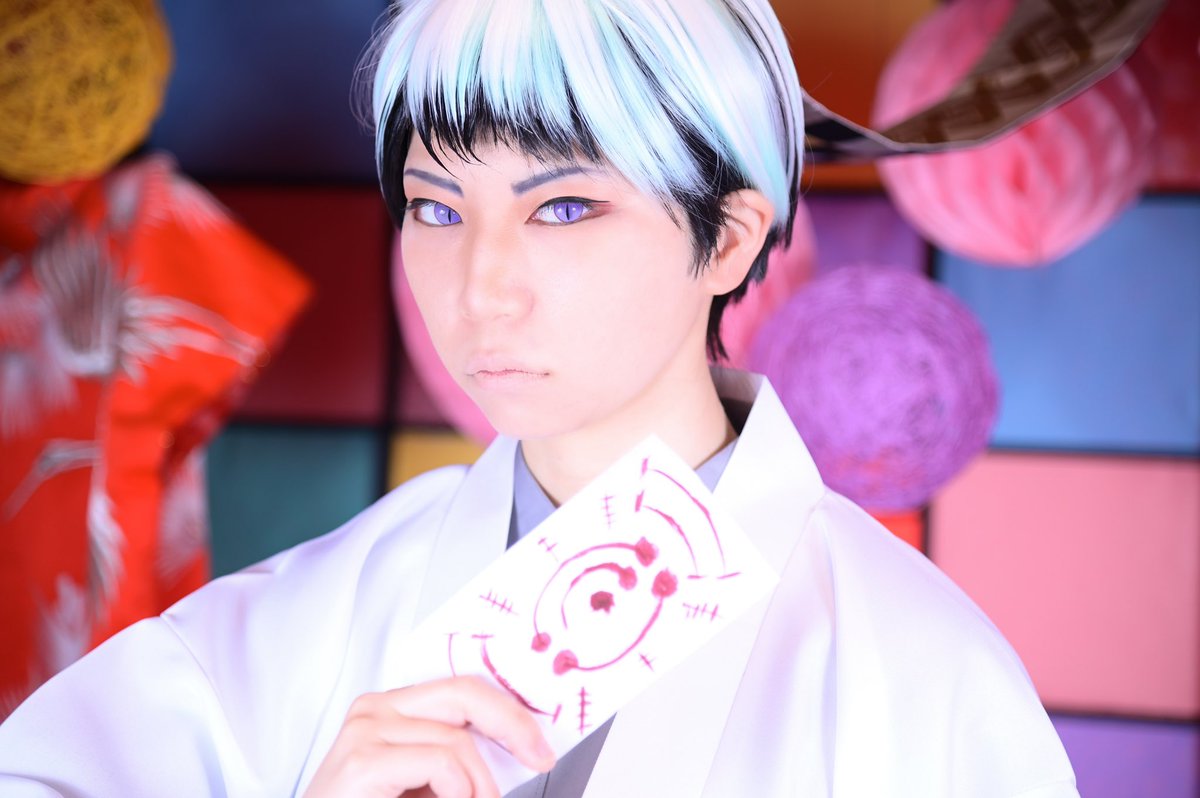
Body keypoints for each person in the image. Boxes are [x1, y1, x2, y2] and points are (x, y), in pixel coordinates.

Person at [0, 0, 1080, 795]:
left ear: (729, 237)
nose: (480, 286)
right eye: (436, 207)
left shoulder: (918, 667)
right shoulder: (299, 623)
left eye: (561, 208)